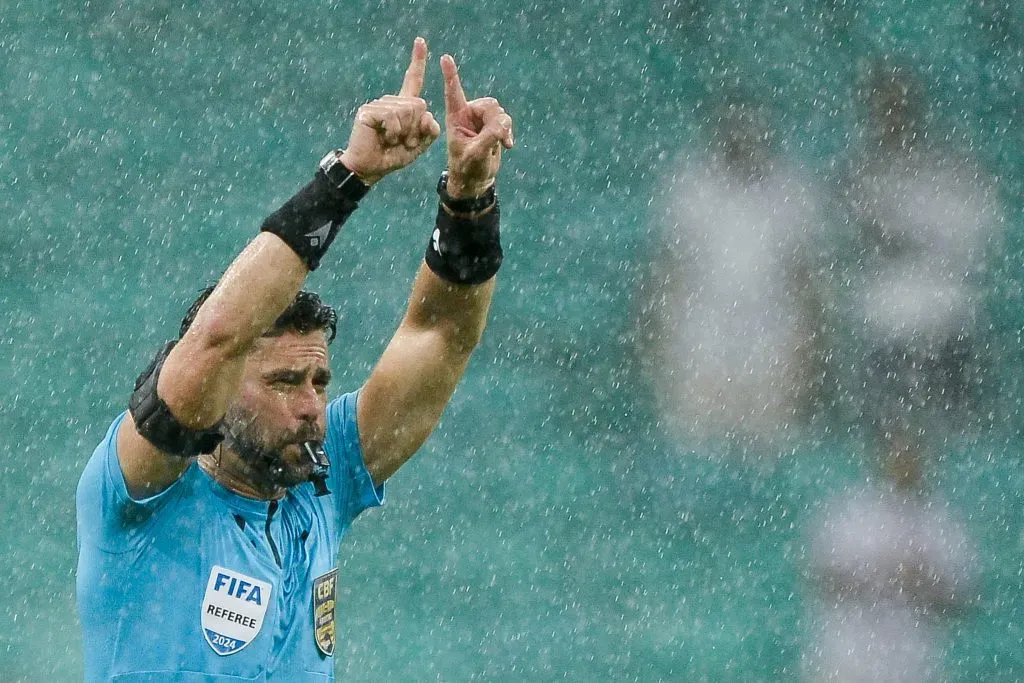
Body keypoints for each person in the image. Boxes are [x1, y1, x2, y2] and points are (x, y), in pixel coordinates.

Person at [75, 37, 514, 682]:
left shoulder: (322, 481)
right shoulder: (143, 489)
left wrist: (468, 199)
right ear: (222, 387)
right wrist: (350, 176)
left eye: (318, 379)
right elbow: (218, 337)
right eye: (284, 381)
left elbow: (441, 335)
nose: (312, 405)